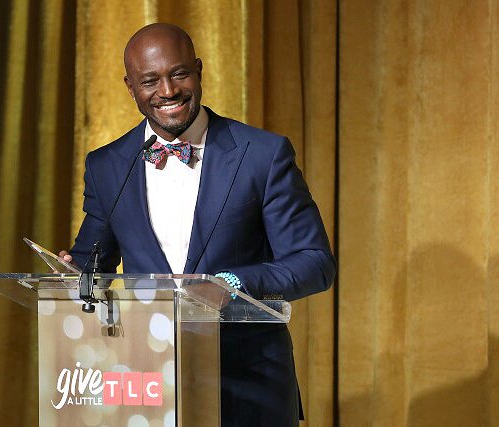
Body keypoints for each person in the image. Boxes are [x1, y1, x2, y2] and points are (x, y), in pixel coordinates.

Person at [61, 23, 336, 426]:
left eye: (179, 74)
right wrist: (72, 274)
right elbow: (92, 262)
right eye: (150, 81)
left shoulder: (262, 154)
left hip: (249, 389)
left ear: (199, 70)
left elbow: (315, 263)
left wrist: (231, 284)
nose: (168, 91)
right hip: (147, 387)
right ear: (130, 87)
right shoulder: (107, 166)